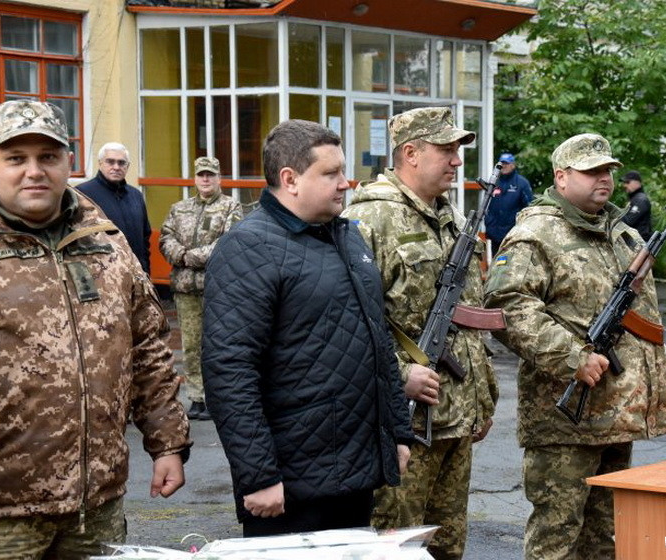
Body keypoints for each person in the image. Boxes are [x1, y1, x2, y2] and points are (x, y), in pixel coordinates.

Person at [0, 100, 191, 558]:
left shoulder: (107, 243)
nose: (34, 171)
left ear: (68, 163)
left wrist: (168, 444)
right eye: (16, 158)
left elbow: (148, 350)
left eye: (48, 156)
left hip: (96, 503)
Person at [201, 119, 413, 538]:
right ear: (290, 179)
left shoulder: (347, 237)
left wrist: (397, 434)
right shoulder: (248, 248)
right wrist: (258, 474)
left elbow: (378, 342)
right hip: (290, 486)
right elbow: (229, 369)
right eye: (330, 173)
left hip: (356, 473)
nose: (345, 183)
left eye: (343, 171)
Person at [484, 133, 666, 560]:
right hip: (564, 422)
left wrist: (657, 391)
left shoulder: (621, 232)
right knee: (556, 540)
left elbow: (644, 320)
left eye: (607, 170)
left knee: (604, 540)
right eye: (591, 171)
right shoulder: (536, 234)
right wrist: (573, 358)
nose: (603, 178)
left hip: (617, 414)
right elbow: (506, 306)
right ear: (562, 177)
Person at [342, 106, 498, 560]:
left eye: (457, 150)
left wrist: (482, 396)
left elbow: (469, 316)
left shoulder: (451, 218)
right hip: (401, 425)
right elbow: (345, 322)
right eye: (446, 149)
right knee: (398, 547)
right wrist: (398, 375)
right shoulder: (368, 220)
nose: (457, 160)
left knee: (447, 546)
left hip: (455, 419)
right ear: (410, 153)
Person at [160, 156, 242, 421]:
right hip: (185, 289)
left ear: (219, 178)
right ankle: (197, 397)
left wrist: (189, 257)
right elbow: (166, 238)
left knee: (218, 345)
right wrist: (180, 254)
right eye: (201, 175)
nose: (206, 179)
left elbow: (228, 242)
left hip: (217, 289)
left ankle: (219, 396)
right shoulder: (179, 208)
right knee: (191, 345)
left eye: (210, 175)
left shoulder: (230, 207)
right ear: (195, 179)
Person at [76, 142, 152, 274]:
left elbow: (145, 238)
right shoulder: (83, 194)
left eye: (121, 163)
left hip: (137, 274)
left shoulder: (136, 196)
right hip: (103, 276)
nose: (116, 167)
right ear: (100, 163)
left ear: (128, 166)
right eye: (110, 162)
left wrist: (145, 271)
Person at [484, 152, 533, 255]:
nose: (504, 166)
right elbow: (486, 205)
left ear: (513, 165)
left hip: (514, 235)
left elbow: (529, 208)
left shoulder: (522, 183)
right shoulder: (493, 183)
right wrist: (489, 226)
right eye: (502, 163)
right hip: (495, 234)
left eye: (507, 163)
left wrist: (521, 229)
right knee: (496, 262)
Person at [620, 170, 652, 241]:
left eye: (627, 182)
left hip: (640, 243)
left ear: (637, 182)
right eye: (624, 183)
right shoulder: (635, 198)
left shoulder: (640, 199)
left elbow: (628, 222)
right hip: (635, 242)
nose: (625, 185)